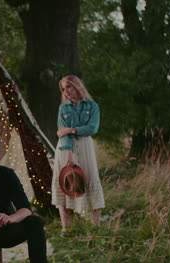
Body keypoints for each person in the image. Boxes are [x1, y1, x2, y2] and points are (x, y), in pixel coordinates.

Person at [51, 75, 105, 232]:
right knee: (65, 181)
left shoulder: (92, 106)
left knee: (90, 180)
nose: (66, 91)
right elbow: (62, 132)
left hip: (85, 147)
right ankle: (66, 229)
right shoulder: (63, 108)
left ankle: (96, 227)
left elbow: (92, 128)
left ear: (77, 86)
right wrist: (69, 153)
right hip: (65, 148)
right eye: (63, 88)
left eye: (68, 87)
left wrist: (72, 129)